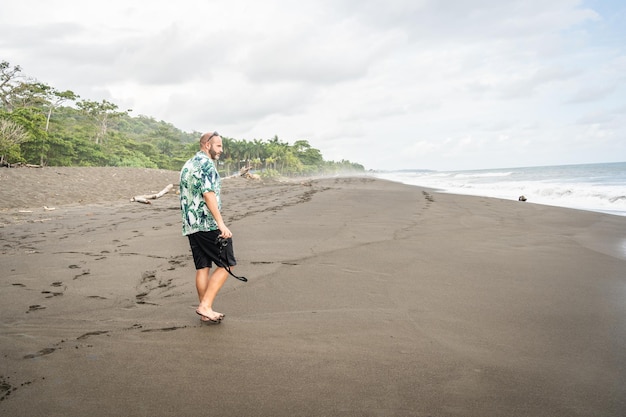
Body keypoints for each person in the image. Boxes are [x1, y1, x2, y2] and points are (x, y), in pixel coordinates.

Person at [179, 131, 236, 323]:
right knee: (227, 264)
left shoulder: (188, 164)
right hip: (206, 223)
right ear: (206, 145)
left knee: (203, 266)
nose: (221, 149)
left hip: (191, 224)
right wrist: (221, 224)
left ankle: (205, 310)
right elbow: (208, 194)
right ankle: (205, 305)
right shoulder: (206, 165)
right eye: (218, 146)